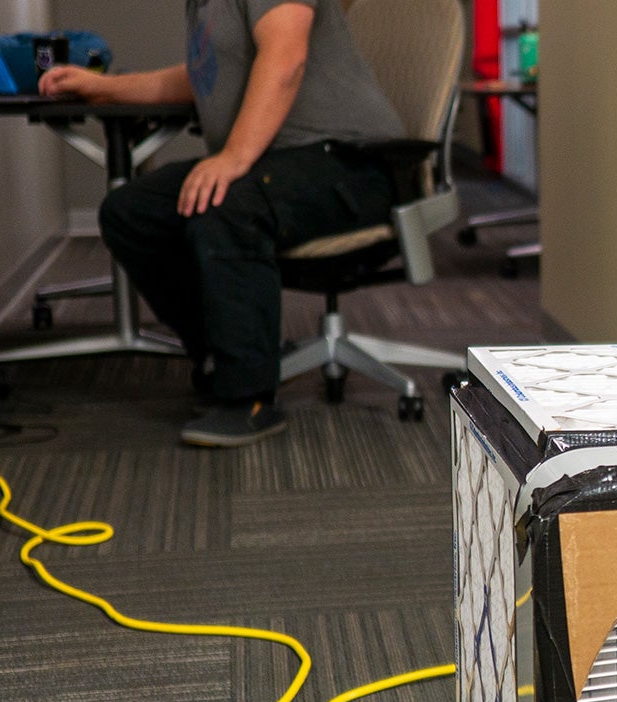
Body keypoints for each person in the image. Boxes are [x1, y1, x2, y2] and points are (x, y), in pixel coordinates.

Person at [38, 0, 405, 448]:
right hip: (283, 164)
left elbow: (285, 57)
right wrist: (105, 88)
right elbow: (201, 80)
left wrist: (233, 158)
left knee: (223, 201)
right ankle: (225, 353)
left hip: (351, 165)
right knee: (130, 211)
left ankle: (249, 397)